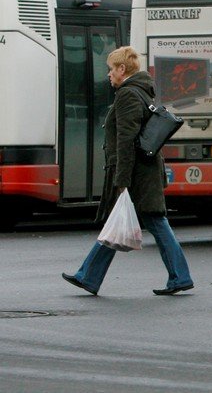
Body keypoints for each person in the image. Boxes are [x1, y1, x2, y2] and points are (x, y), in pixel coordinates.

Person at [62, 46, 194, 296]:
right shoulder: (144, 91)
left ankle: (180, 276)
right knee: (122, 223)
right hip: (144, 170)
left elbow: (126, 140)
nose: (109, 75)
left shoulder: (128, 95)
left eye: (111, 69)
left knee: (153, 223)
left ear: (122, 69)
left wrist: (121, 180)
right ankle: (88, 276)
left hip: (136, 174)